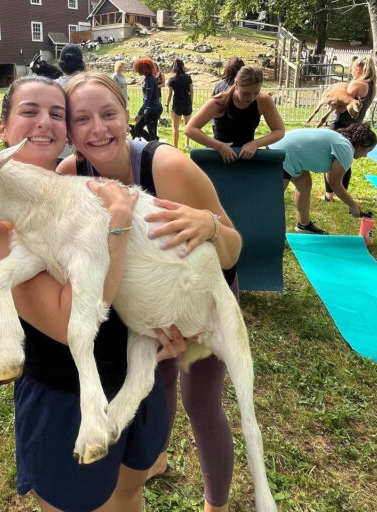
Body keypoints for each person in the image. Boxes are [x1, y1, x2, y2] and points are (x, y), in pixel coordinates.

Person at [0, 75, 173, 512]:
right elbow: (67, 323)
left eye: (56, 114)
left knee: (130, 492)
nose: (44, 123)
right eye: (29, 111)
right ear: (2, 128)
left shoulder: (74, 179)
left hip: (137, 375)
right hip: (67, 399)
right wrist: (115, 226)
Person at [57, 72, 244, 512]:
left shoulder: (165, 167)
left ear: (128, 115)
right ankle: (155, 458)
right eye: (82, 119)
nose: (98, 129)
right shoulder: (71, 175)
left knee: (201, 402)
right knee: (153, 386)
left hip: (204, 302)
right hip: (149, 308)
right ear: (70, 131)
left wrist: (212, 227)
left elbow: (234, 252)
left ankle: (215, 503)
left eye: (108, 114)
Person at [270, 124, 377, 234]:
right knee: (270, 199)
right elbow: (334, 183)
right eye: (368, 151)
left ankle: (304, 225)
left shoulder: (340, 140)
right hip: (282, 154)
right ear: (363, 145)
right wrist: (352, 204)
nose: (365, 156)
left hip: (282, 149)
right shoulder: (347, 149)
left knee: (305, 185)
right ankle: (260, 229)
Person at [185, 66, 284, 163]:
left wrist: (256, 144)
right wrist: (219, 146)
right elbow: (190, 129)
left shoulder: (264, 100)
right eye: (246, 93)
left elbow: (279, 131)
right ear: (236, 84)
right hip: (219, 156)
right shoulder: (219, 102)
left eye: (256, 92)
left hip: (246, 156)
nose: (251, 98)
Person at [322, 55, 377, 201]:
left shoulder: (357, 84)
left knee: (330, 158)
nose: (351, 70)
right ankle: (342, 192)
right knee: (345, 159)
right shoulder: (371, 86)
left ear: (360, 69)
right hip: (355, 126)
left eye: (353, 67)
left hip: (340, 124)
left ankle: (329, 193)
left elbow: (341, 107)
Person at [131, 57, 164, 142]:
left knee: (149, 133)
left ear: (143, 69)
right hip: (155, 108)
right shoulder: (150, 77)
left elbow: (147, 99)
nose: (137, 71)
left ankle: (153, 144)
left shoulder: (149, 79)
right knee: (139, 128)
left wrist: (139, 113)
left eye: (138, 69)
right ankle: (152, 142)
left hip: (152, 110)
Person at [166, 58, 193, 150]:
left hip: (177, 103)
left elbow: (169, 95)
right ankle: (187, 144)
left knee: (175, 127)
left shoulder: (172, 79)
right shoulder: (188, 77)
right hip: (187, 102)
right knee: (188, 125)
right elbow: (191, 91)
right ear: (182, 66)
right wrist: (191, 102)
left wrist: (167, 105)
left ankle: (175, 147)